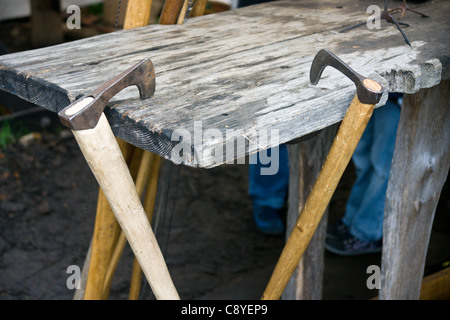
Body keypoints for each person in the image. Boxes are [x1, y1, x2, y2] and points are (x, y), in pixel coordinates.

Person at [325, 93, 402, 255]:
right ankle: (352, 221)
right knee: (363, 161)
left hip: (400, 96)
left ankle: (368, 234)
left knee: (383, 169)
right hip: (371, 90)